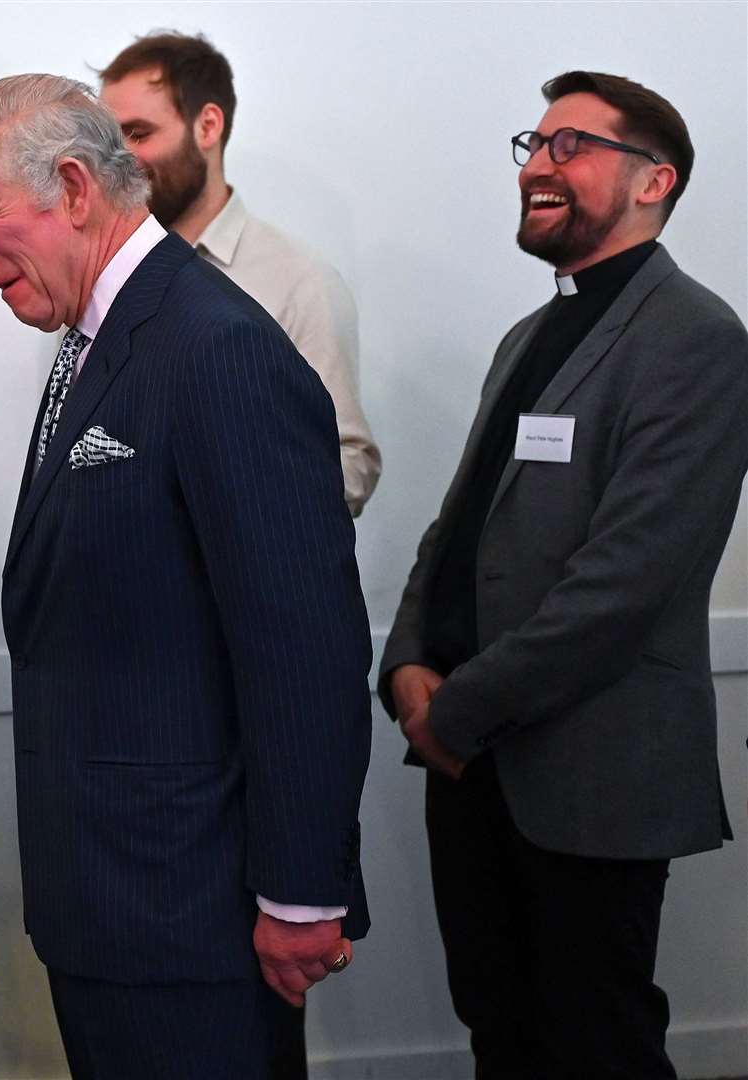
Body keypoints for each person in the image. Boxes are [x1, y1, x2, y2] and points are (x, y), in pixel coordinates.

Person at [0, 74, 371, 1078]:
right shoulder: (96, 336)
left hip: (189, 915)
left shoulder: (216, 347)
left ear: (75, 188)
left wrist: (302, 894)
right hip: (114, 903)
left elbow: (302, 640)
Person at [380, 71, 745, 1079]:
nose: (537, 167)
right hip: (472, 767)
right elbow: (456, 529)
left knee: (598, 1044)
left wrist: (452, 712)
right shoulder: (527, 339)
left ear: (651, 181)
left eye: (569, 146)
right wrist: (406, 660)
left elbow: (624, 583)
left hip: (589, 769)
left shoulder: (698, 340)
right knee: (499, 1028)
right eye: (531, 147)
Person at [97, 30, 380, 516]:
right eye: (110, 140)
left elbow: (350, 464)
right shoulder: (102, 277)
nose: (119, 161)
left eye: (139, 134)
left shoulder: (299, 281)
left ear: (207, 127)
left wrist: (231, 500)